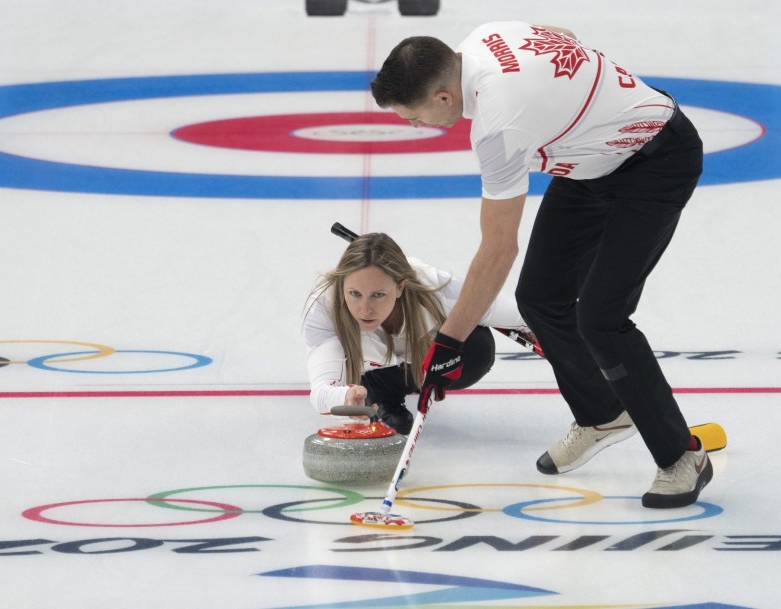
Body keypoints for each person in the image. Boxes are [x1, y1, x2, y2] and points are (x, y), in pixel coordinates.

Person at [370, 22, 711, 508]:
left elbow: (498, 249)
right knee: (540, 299)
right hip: (591, 159)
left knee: (602, 319)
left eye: (413, 116)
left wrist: (450, 339)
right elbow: (563, 35)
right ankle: (603, 413)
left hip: (657, 163)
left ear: (444, 97)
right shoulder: (486, 37)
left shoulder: (499, 127)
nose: (413, 125)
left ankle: (683, 457)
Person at [304, 232, 524, 434]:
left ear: (400, 287)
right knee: (363, 370)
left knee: (477, 347)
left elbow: (525, 315)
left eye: (378, 294)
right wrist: (345, 396)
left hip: (421, 356)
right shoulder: (324, 310)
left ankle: (410, 377)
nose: (365, 309)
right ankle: (381, 395)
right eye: (354, 293)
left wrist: (556, 346)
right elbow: (322, 391)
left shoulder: (439, 292)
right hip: (370, 370)